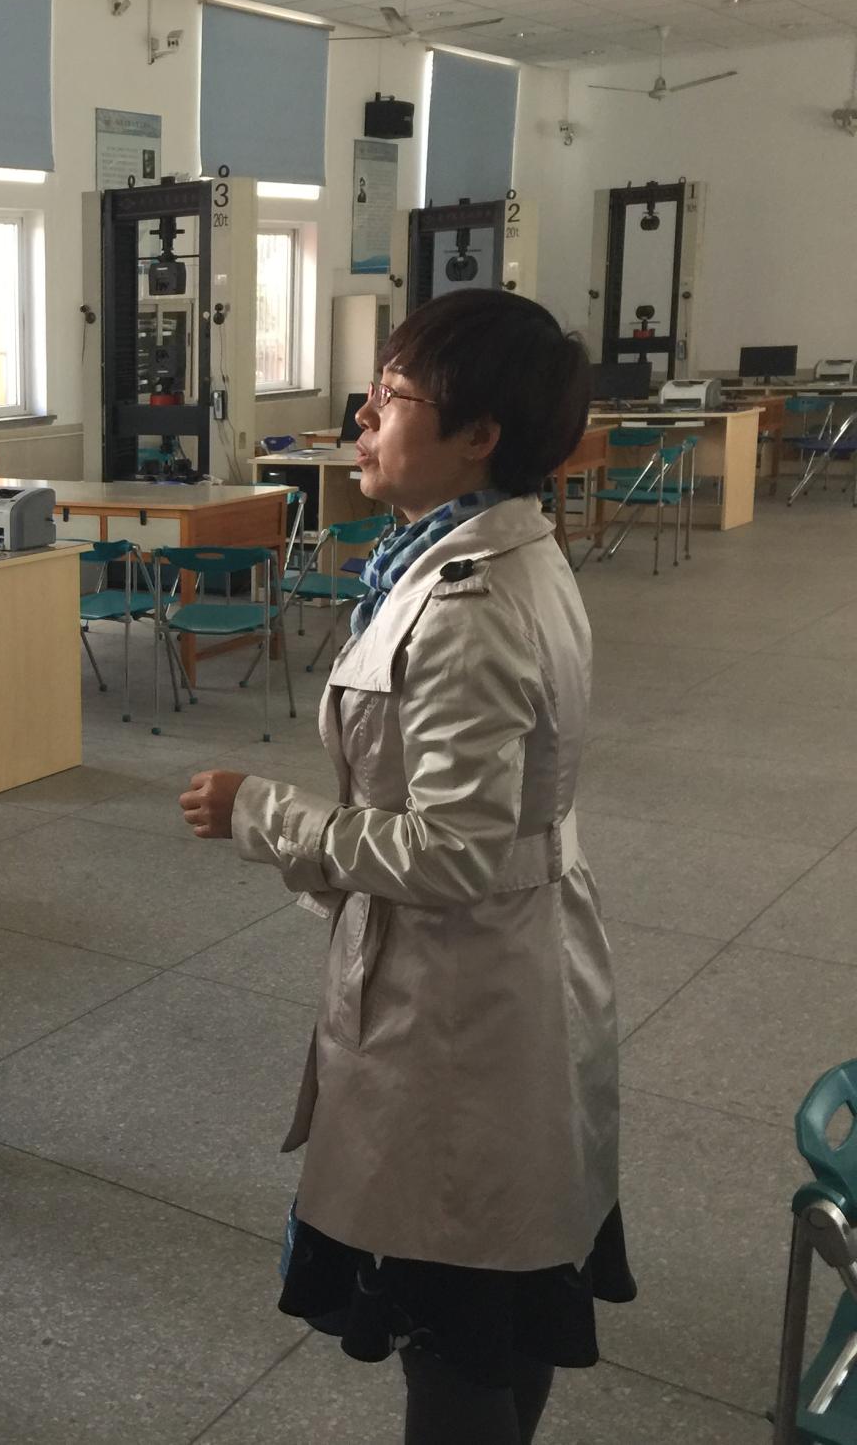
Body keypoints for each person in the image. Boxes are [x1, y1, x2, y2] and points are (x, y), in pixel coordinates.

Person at [179, 288, 633, 1445]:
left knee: (461, 1315)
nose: (361, 419)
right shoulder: (470, 554)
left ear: (478, 434)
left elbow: (455, 851)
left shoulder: (469, 604)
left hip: (462, 1000)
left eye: (389, 398)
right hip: (507, 961)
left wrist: (263, 814)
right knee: (501, 1291)